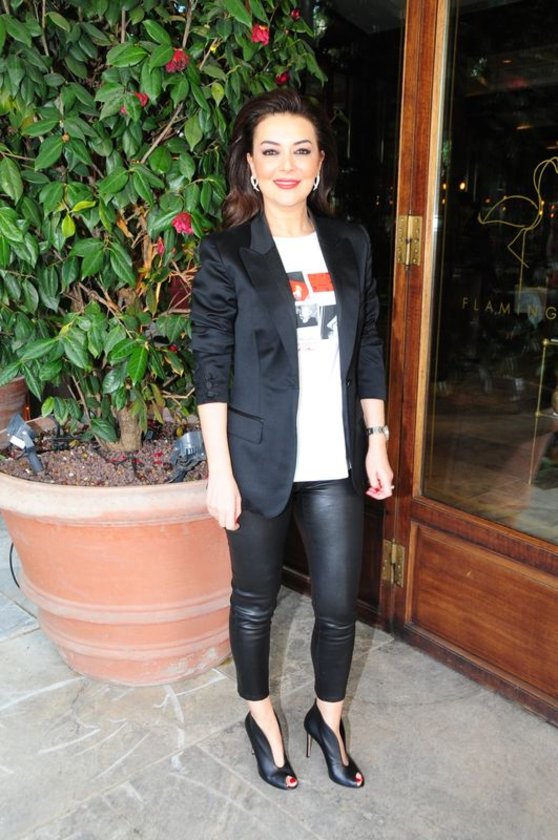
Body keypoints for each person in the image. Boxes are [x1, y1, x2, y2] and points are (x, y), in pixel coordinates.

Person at [191, 88, 393, 791]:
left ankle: (327, 719)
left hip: (335, 457)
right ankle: (262, 718)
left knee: (338, 607)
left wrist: (376, 438)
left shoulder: (351, 242)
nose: (286, 165)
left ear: (320, 164)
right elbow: (210, 366)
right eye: (270, 151)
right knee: (255, 602)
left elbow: (368, 343)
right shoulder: (227, 254)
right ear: (249, 165)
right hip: (256, 458)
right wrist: (219, 472)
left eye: (300, 151)